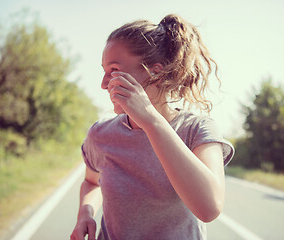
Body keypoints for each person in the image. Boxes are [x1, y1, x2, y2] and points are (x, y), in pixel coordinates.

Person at [70, 14, 234, 240]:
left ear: (154, 71)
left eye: (114, 70)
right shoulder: (100, 134)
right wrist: (85, 214)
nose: (103, 84)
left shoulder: (197, 130)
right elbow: (91, 182)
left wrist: (151, 120)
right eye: (104, 71)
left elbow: (209, 208)